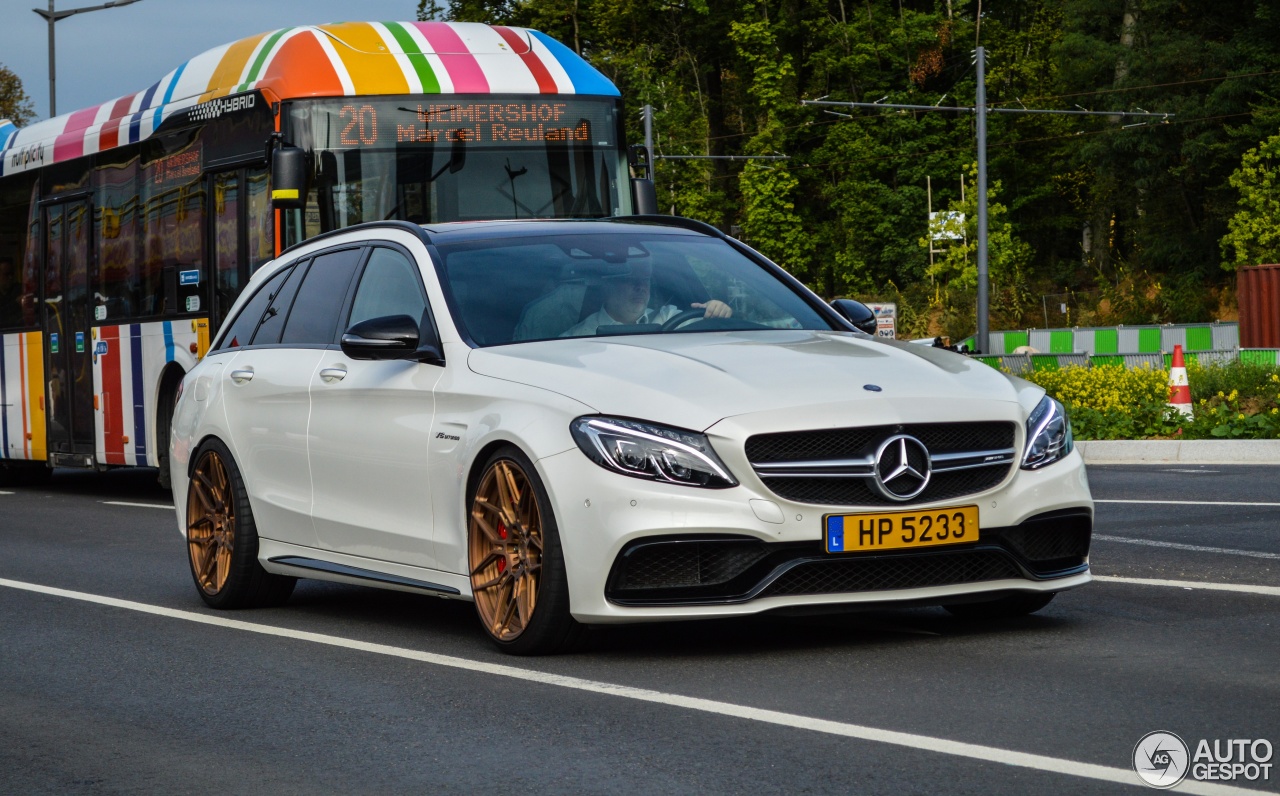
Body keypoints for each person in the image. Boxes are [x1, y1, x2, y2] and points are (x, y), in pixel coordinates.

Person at [560, 260, 731, 337]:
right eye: (630, 280)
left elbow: (711, 336)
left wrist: (715, 310)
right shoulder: (579, 337)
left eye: (645, 280)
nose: (641, 287)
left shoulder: (669, 317)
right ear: (607, 287)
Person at [0, 258, 21, 328]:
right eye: (6, 274)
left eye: (12, 274)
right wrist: (15, 304)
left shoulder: (19, 290)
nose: (11, 277)